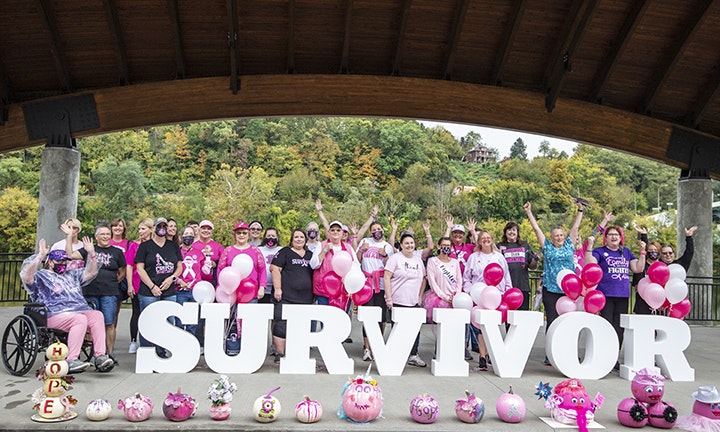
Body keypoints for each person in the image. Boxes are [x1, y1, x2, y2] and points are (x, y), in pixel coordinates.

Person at [20, 239, 114, 373]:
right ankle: (72, 360)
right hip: (52, 313)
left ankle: (100, 356)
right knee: (79, 319)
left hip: (77, 309)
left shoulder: (71, 275)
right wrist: (40, 255)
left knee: (97, 315)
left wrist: (92, 254)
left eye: (65, 261)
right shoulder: (41, 276)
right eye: (59, 261)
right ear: (50, 262)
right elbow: (26, 276)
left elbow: (91, 273)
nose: (63, 264)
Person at [525, 200, 583, 365]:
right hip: (550, 289)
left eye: (561, 235)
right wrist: (529, 212)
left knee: (569, 322)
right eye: (556, 235)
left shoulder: (569, 246)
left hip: (569, 291)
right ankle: (551, 354)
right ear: (551, 238)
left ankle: (571, 352)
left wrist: (580, 210)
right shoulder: (548, 247)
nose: (559, 237)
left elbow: (575, 228)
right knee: (552, 322)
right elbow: (536, 229)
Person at [585, 226, 646, 360]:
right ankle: (603, 356)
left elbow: (638, 268)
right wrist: (589, 246)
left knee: (619, 328)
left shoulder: (626, 252)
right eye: (610, 234)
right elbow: (590, 264)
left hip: (622, 295)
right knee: (606, 325)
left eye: (616, 235)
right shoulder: (599, 251)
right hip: (605, 295)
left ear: (620, 237)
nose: (614, 237)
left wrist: (642, 252)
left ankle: (614, 357)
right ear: (605, 238)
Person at [73, 224, 126, 364]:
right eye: (102, 234)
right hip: (90, 292)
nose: (106, 236)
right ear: (96, 237)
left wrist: (114, 282)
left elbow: (122, 271)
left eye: (108, 234)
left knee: (109, 323)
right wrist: (69, 237)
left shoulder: (117, 252)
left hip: (109, 293)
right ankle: (92, 354)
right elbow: (70, 255)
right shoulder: (89, 250)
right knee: (90, 324)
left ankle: (109, 353)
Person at [463, 229, 512, 371]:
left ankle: (493, 355)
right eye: (482, 238)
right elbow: (467, 277)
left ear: (492, 239)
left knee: (493, 327)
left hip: (497, 295)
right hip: (479, 296)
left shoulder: (499, 257)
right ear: (478, 241)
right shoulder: (473, 257)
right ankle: (482, 357)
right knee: (480, 327)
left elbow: (506, 276)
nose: (485, 240)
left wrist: (507, 291)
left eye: (488, 238)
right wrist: (469, 291)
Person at [135, 217, 183, 356]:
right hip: (149, 291)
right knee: (148, 321)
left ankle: (161, 352)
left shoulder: (173, 246)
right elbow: (139, 268)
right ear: (154, 228)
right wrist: (152, 286)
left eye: (164, 226)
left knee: (168, 321)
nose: (162, 228)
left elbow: (179, 266)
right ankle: (147, 353)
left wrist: (172, 278)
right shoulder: (145, 246)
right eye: (159, 226)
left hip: (169, 290)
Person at [270, 229, 314, 363]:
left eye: (301, 237)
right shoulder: (285, 252)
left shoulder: (311, 255)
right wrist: (278, 289)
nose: (299, 239)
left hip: (305, 298)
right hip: (286, 296)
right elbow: (274, 268)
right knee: (281, 325)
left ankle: (298, 353)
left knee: (302, 326)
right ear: (292, 239)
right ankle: (280, 353)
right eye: (296, 237)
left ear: (306, 240)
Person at [384, 232, 427, 367]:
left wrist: (420, 296)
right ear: (401, 245)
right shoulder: (395, 258)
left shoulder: (418, 260)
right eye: (406, 243)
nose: (409, 245)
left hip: (413, 301)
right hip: (397, 300)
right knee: (397, 329)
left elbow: (423, 279)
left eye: (411, 243)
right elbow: (386, 277)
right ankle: (395, 355)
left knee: (415, 329)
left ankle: (413, 355)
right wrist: (389, 298)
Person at [356, 221, 394, 361]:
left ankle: (377, 345)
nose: (376, 231)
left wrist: (384, 256)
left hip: (381, 285)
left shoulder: (388, 247)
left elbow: (390, 266)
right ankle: (366, 348)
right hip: (366, 285)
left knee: (381, 317)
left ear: (383, 230)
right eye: (374, 229)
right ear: (370, 232)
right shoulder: (365, 241)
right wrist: (361, 250)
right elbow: (358, 260)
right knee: (367, 316)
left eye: (379, 229)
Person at [424, 236, 463, 351]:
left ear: (451, 248)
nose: (446, 248)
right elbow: (432, 282)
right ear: (439, 246)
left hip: (455, 299)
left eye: (448, 246)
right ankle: (440, 351)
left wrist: (456, 296)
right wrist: (445, 297)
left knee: (453, 329)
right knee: (441, 329)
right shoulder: (432, 261)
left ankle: (452, 351)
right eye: (443, 245)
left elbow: (459, 280)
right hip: (439, 299)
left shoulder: (455, 262)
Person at [310, 220, 357, 310]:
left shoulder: (348, 248)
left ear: (342, 233)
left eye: (338, 230)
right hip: (324, 291)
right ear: (329, 232)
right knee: (325, 320)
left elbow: (355, 267)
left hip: (343, 292)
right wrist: (324, 251)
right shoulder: (321, 245)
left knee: (342, 320)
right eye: (333, 230)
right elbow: (313, 265)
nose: (335, 232)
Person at [217, 221, 266, 301]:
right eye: (238, 233)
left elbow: (262, 270)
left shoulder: (255, 251)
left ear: (248, 235)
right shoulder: (228, 251)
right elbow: (220, 269)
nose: (241, 235)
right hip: (230, 294)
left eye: (244, 233)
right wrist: (222, 287)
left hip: (250, 293)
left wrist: (262, 287)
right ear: (235, 235)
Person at [125, 218, 153, 354]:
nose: (141, 231)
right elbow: (129, 266)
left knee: (151, 313)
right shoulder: (134, 246)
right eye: (139, 229)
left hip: (153, 283)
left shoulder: (156, 245)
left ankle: (150, 341)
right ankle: (133, 340)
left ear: (151, 229)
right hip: (137, 282)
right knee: (137, 312)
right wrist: (130, 284)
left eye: (143, 228)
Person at [497, 222, 538, 311]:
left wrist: (535, 259)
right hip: (506, 287)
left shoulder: (525, 245)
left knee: (522, 316)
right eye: (509, 230)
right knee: (508, 316)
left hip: (522, 286)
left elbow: (532, 266)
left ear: (518, 233)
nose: (511, 232)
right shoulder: (499, 246)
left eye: (514, 230)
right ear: (505, 232)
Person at [177, 225, 205, 340]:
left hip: (195, 291)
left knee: (193, 322)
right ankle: (179, 345)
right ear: (181, 236)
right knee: (179, 321)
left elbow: (204, 272)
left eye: (191, 235)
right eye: (187, 234)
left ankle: (190, 346)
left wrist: (209, 262)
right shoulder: (176, 251)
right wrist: (178, 281)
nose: (189, 237)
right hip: (180, 291)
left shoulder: (199, 253)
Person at [632, 240, 663, 315]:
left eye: (655, 250)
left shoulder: (662, 266)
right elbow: (637, 284)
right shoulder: (642, 265)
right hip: (643, 304)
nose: (653, 252)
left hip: (659, 303)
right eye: (650, 250)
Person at [191, 220, 224, 285]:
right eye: (203, 228)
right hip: (196, 283)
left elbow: (224, 263)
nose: (206, 230)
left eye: (209, 229)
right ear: (199, 230)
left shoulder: (218, 246)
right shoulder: (193, 246)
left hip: (214, 283)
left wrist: (216, 264)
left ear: (212, 231)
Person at [258, 228, 282, 303]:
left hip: (277, 290)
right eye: (268, 236)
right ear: (264, 237)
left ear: (277, 238)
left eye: (273, 236)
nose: (271, 238)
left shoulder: (282, 250)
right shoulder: (258, 250)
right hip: (261, 289)